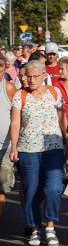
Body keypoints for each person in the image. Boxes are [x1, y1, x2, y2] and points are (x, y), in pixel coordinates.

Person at [9, 60, 67, 246]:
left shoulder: (54, 92)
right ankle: (34, 228)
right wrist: (14, 146)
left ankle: (50, 226)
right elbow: (16, 122)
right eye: (28, 76)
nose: (31, 80)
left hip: (54, 148)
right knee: (31, 190)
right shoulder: (20, 95)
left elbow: (61, 118)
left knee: (54, 188)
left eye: (35, 76)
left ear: (43, 75)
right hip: (28, 150)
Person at [0, 55, 17, 221]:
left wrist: (15, 145)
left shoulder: (9, 88)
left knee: (2, 186)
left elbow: (16, 117)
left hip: (5, 146)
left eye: (0, 66)